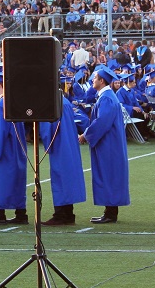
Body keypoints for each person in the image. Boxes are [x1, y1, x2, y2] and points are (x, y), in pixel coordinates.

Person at [78, 66, 130, 224]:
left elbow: (102, 122)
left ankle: (110, 213)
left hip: (109, 145)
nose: (92, 80)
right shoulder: (107, 96)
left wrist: (85, 135)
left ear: (102, 81)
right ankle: (109, 211)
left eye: (95, 78)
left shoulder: (106, 98)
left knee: (109, 176)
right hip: (110, 144)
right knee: (110, 176)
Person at [0, 71, 28, 225]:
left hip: (7, 149)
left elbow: (0, 131)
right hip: (18, 147)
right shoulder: (15, 102)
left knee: (3, 180)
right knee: (17, 181)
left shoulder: (1, 105)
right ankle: (21, 213)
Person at [40, 93, 87, 226]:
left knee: (59, 178)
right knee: (67, 178)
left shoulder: (52, 102)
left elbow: (47, 126)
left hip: (59, 144)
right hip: (70, 143)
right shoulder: (64, 101)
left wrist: (47, 143)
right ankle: (68, 214)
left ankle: (60, 214)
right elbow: (82, 119)